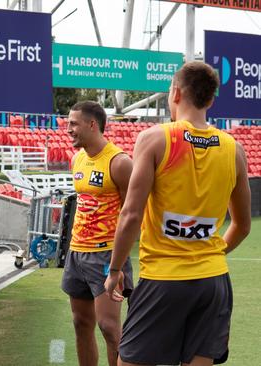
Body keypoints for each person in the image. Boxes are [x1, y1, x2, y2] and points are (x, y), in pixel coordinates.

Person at [105, 61, 251, 366]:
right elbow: (242, 225)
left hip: (163, 279)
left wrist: (115, 269)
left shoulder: (155, 138)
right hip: (213, 281)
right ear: (211, 100)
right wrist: (207, 253)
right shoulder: (234, 149)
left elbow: (131, 214)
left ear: (175, 94)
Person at [61, 101, 134, 366]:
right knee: (81, 323)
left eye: (73, 124)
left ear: (92, 125)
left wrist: (119, 262)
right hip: (77, 253)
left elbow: (131, 216)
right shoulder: (77, 158)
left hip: (106, 256)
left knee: (109, 328)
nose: (68, 129)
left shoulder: (120, 162)